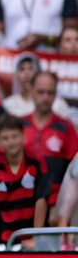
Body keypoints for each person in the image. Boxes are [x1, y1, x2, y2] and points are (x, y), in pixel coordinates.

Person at [0, 114, 50, 247]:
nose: (11, 142)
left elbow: (40, 201)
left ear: (23, 136)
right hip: (3, 238)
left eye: (15, 136)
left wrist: (36, 238)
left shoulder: (36, 163)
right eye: (5, 138)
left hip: (30, 238)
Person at [21, 71, 78, 213]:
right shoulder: (19, 125)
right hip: (20, 200)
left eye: (50, 93)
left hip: (55, 205)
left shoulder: (66, 127)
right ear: (31, 91)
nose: (45, 98)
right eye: (41, 92)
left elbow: (74, 170)